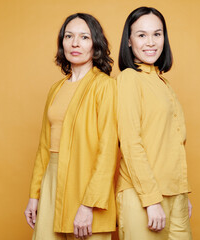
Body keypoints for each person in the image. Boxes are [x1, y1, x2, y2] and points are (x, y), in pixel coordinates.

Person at [24, 13, 118, 240]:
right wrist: (35, 195)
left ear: (95, 44)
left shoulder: (105, 86)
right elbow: (44, 147)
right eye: (69, 36)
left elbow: (108, 151)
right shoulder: (56, 89)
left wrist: (89, 205)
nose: (75, 43)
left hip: (86, 184)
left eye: (84, 37)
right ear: (62, 42)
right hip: (51, 182)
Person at [116, 6, 192, 240]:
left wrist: (182, 194)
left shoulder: (164, 84)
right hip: (143, 197)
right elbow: (130, 142)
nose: (151, 42)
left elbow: (172, 143)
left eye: (157, 34)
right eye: (141, 35)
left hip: (175, 195)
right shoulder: (129, 79)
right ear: (129, 41)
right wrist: (151, 200)